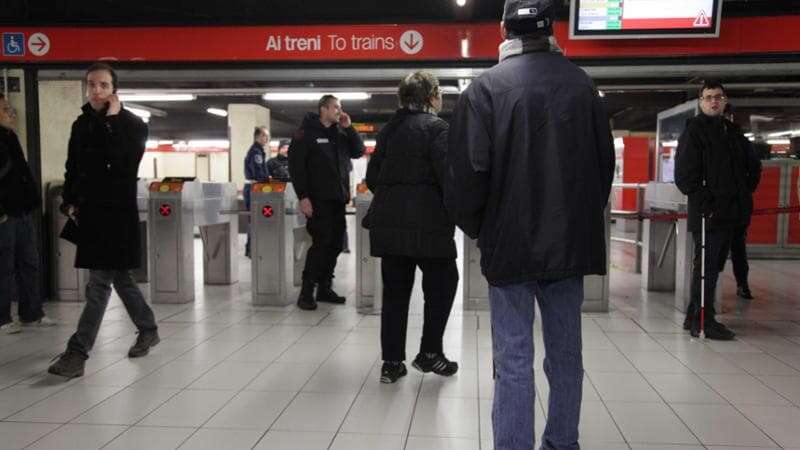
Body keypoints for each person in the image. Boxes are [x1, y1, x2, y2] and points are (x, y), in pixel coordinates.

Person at [445, 1, 615, 448]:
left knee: (513, 357)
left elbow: (466, 175)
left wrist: (482, 228)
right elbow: (603, 168)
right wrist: (577, 219)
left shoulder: (483, 91)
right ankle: (562, 442)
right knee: (566, 354)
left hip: (510, 245)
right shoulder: (583, 88)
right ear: (551, 30)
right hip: (569, 247)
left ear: (502, 29)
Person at [48, 63, 159, 378]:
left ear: (114, 90)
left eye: (103, 85)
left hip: (117, 215)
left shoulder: (133, 125)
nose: (96, 90)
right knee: (119, 278)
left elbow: (123, 165)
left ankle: (77, 352)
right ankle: (148, 328)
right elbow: (73, 166)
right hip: (92, 213)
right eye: (91, 84)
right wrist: (70, 200)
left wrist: (111, 122)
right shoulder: (80, 124)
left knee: (99, 284)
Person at [364, 71, 459, 384]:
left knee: (395, 294)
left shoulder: (389, 130)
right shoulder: (437, 128)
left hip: (389, 225)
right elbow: (449, 178)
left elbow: (373, 178)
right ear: (431, 97)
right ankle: (429, 352)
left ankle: (392, 363)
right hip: (429, 226)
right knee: (443, 284)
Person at [675, 80, 760, 340]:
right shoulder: (695, 131)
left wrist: (743, 194)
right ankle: (704, 320)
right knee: (706, 269)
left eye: (718, 97)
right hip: (709, 216)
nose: (714, 101)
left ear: (724, 100)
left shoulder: (733, 132)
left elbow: (752, 166)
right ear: (701, 102)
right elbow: (685, 176)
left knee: (712, 268)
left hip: (732, 214)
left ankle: (694, 316)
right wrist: (707, 204)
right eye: (708, 97)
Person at [288, 95, 364, 310]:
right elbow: (296, 167)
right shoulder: (305, 134)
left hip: (337, 199)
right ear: (323, 109)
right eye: (336, 107)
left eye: (340, 108)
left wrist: (349, 128)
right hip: (317, 200)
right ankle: (306, 292)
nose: (339, 111)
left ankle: (324, 287)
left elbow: (358, 151)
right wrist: (303, 196)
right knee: (321, 244)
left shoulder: (339, 133)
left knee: (335, 244)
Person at [0, 93, 57, 334]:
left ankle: (31, 313)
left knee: (29, 263)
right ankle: (2, 318)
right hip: (4, 215)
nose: (10, 113)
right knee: (3, 267)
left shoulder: (10, 137)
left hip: (22, 212)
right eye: (4, 109)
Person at [723, 103, 761, 300]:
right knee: (727, 248)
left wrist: (744, 191)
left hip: (737, 205)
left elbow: (755, 169)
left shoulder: (742, 142)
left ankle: (742, 283)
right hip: (725, 205)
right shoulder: (709, 139)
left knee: (736, 246)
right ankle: (737, 285)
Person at [244, 127, 270, 257]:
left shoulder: (258, 151)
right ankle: (250, 248)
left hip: (256, 187)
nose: (267, 139)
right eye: (266, 136)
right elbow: (258, 172)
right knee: (254, 219)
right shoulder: (256, 152)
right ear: (259, 136)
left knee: (254, 219)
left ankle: (252, 247)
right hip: (254, 189)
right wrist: (268, 180)